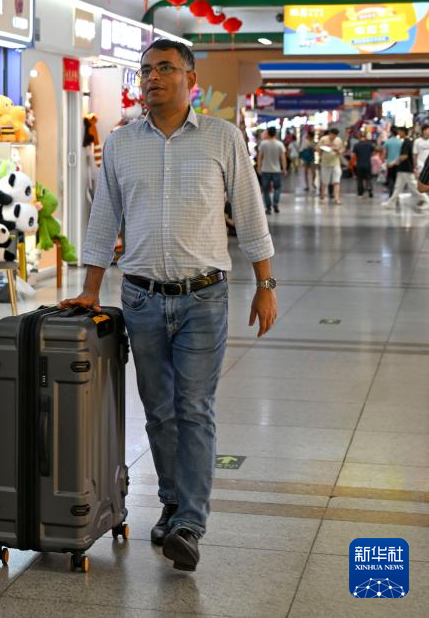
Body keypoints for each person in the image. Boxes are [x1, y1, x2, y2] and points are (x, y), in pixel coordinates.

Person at [60, 39, 277, 573]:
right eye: (145, 70)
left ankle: (190, 524)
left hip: (203, 297)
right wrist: (90, 288)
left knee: (194, 408)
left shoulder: (223, 138)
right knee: (158, 411)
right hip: (141, 298)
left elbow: (250, 213)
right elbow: (104, 218)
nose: (152, 77)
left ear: (190, 79)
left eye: (164, 68)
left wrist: (265, 283)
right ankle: (173, 501)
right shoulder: (120, 143)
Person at [382, 127, 429, 210]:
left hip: (406, 169)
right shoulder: (405, 141)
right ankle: (391, 202)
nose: (399, 133)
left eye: (400, 132)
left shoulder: (406, 142)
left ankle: (427, 201)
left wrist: (393, 163)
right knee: (398, 187)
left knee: (415, 187)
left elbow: (405, 156)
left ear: (404, 132)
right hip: (403, 169)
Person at [257, 128, 287, 214]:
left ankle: (268, 208)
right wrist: (284, 168)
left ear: (268, 133)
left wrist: (259, 167)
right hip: (276, 170)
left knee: (266, 190)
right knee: (277, 188)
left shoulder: (263, 144)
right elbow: (283, 158)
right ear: (275, 134)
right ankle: (275, 203)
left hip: (265, 170)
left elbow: (260, 157)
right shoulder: (279, 144)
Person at [317, 128, 345, 205]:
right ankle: (322, 197)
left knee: (336, 181)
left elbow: (342, 150)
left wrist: (337, 151)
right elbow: (318, 149)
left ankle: (337, 198)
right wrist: (323, 148)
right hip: (325, 163)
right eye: (332, 135)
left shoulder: (339, 140)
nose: (333, 137)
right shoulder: (323, 139)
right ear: (329, 133)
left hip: (336, 163)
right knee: (324, 182)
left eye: (335, 136)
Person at [352, 133, 376, 199]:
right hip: (367, 164)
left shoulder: (356, 145)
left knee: (360, 179)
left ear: (359, 138)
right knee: (368, 178)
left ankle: (360, 193)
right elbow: (373, 153)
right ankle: (370, 190)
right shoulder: (370, 144)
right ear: (365, 138)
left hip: (359, 164)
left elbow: (353, 154)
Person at [383, 128, 403, 196]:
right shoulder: (400, 142)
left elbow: (385, 153)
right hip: (398, 163)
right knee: (396, 178)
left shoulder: (387, 141)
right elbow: (402, 153)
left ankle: (391, 192)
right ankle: (395, 193)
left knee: (390, 177)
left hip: (390, 163)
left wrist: (384, 161)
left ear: (391, 133)